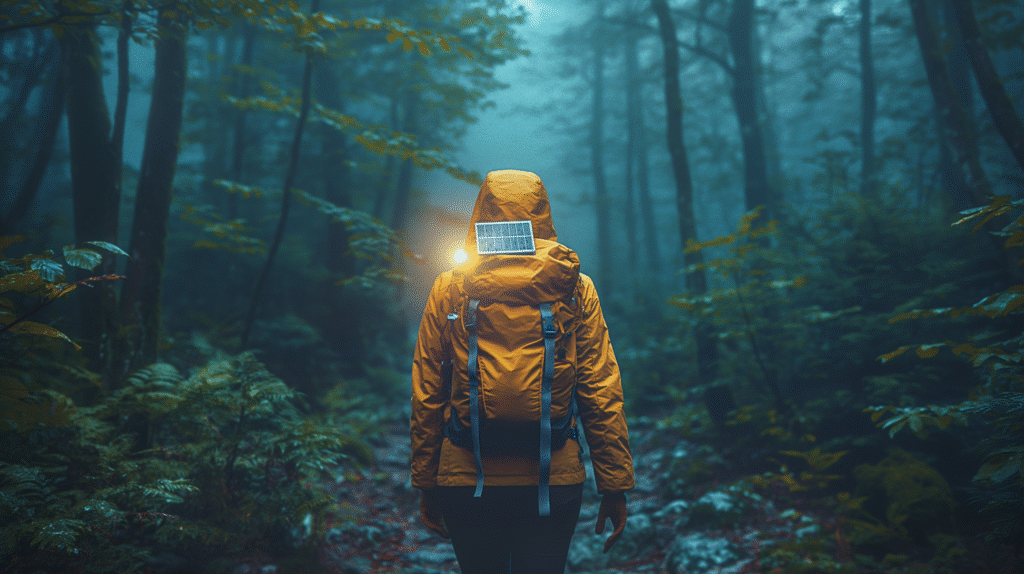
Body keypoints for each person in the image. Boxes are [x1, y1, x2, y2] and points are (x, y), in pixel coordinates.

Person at [410, 169, 634, 574]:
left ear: (482, 211)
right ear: (542, 214)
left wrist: (427, 480)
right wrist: (614, 484)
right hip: (554, 477)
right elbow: (599, 388)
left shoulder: (451, 287)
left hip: (466, 476)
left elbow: (428, 389)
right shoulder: (574, 286)